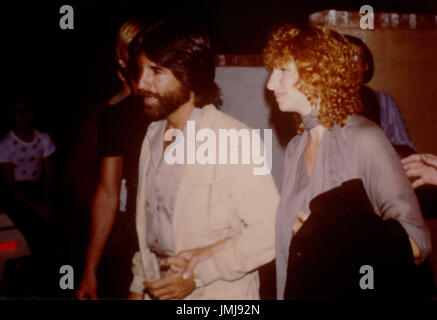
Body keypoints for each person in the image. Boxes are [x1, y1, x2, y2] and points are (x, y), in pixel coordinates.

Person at [263, 25, 431, 299]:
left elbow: (418, 242)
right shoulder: (295, 148)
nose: (271, 84)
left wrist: (337, 235)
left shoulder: (365, 139)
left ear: (316, 74)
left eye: (283, 71)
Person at [126, 20, 278, 300]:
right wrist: (138, 288)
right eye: (140, 70)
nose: (140, 84)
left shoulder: (233, 139)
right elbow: (151, 235)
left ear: (188, 75)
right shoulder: (152, 137)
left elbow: (270, 231)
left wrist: (198, 276)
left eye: (156, 71)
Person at [75, 19, 149, 300]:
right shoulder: (108, 116)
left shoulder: (175, 109)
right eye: (135, 48)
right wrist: (89, 268)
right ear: (121, 57)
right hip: (123, 241)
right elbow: (92, 184)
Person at [345, 35, 416, 157]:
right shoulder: (320, 102)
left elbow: (406, 150)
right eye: (344, 56)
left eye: (356, 57)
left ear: (365, 66)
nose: (350, 63)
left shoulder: (384, 102)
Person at [0, 101, 55, 255]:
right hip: (16, 194)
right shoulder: (6, 144)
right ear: (11, 118)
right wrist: (37, 209)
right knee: (33, 231)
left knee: (51, 227)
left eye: (27, 111)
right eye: (19, 112)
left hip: (37, 188)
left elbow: (50, 174)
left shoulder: (43, 139)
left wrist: (46, 202)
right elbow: (10, 185)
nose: (24, 116)